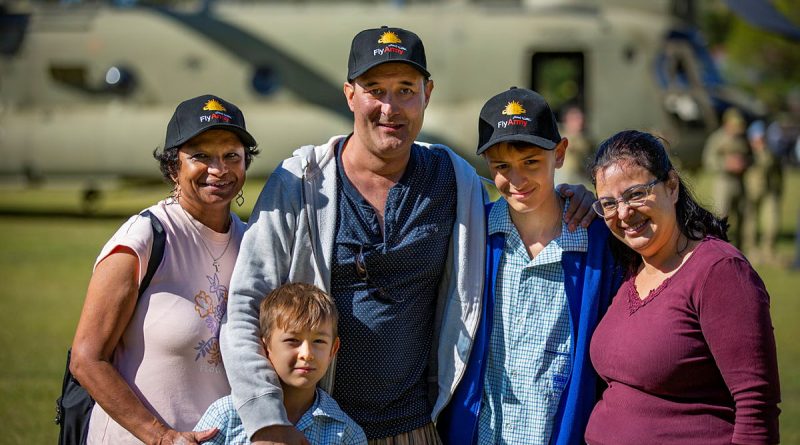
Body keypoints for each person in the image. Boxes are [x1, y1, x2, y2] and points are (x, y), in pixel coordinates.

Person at [221, 26, 596, 445]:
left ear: (427, 93)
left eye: (405, 89)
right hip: (311, 428)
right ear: (349, 94)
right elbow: (245, 307)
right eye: (375, 89)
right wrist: (268, 419)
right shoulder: (300, 182)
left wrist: (577, 201)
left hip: (416, 429)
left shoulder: (455, 181)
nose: (389, 107)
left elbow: (523, 197)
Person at [69, 94, 259, 444]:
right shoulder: (145, 237)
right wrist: (161, 436)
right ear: (174, 167)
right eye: (200, 156)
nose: (218, 169)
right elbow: (86, 359)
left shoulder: (252, 242)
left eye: (231, 155)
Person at [437, 87, 622, 445]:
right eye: (502, 166)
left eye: (531, 162)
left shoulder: (597, 243)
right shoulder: (472, 235)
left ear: (561, 153)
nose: (517, 180)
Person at [585, 130, 781, 444]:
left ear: (672, 187)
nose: (623, 213)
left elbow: (756, 406)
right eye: (608, 203)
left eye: (636, 194)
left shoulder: (718, 271)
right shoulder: (627, 270)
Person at [194, 283, 367, 444]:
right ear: (266, 345)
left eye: (319, 341)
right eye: (292, 340)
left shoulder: (347, 433)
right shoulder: (227, 414)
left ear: (333, 349)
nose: (306, 354)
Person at [702, 107, 751, 247]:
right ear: (727, 123)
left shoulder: (743, 138)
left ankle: (741, 247)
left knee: (743, 215)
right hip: (724, 182)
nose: (738, 128)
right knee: (721, 216)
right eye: (735, 125)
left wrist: (745, 162)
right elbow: (708, 160)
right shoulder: (718, 138)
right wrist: (726, 163)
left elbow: (751, 157)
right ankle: (719, 246)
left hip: (740, 181)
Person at [743, 120, 783, 264]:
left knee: (771, 221)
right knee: (750, 221)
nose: (759, 140)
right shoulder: (746, 151)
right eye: (757, 137)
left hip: (769, 191)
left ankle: (768, 249)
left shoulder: (770, 152)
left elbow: (774, 168)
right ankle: (751, 248)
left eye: (761, 137)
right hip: (752, 191)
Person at [556, 103, 594, 187]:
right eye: (575, 119)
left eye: (580, 118)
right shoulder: (557, 135)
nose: (579, 122)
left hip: (578, 182)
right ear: (566, 120)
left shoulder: (585, 140)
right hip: (558, 181)